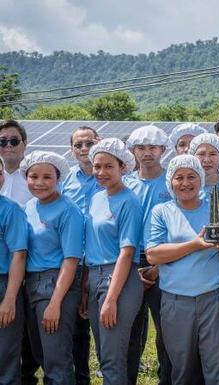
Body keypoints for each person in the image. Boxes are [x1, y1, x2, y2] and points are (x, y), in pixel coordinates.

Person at [146, 155, 219, 385]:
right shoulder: (162, 212)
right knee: (182, 368)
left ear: (201, 179)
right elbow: (153, 254)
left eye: (191, 177)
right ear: (171, 181)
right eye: (179, 178)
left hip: (215, 299)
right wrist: (194, 245)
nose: (185, 183)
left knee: (217, 367)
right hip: (176, 301)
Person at [85, 138, 144, 385]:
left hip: (118, 280)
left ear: (123, 167)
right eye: (97, 166)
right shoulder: (96, 197)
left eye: (108, 166)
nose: (101, 172)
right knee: (103, 355)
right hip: (94, 277)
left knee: (112, 357)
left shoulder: (129, 201)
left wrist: (110, 299)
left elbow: (127, 252)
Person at [22, 151, 84, 384]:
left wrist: (55, 303)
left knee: (56, 359)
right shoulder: (29, 206)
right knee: (42, 354)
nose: (39, 183)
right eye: (33, 176)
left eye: (47, 177)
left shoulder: (69, 210)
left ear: (58, 179)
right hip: (31, 283)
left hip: (55, 285)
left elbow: (71, 259)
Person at [125, 125, 173, 385]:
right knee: (130, 331)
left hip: (164, 262)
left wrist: (161, 266)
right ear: (132, 150)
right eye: (141, 148)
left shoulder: (172, 182)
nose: (146, 153)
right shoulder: (125, 183)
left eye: (152, 148)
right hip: (130, 262)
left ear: (162, 150)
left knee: (166, 332)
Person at [60, 126, 102, 384]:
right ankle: (81, 378)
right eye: (79, 145)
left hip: (102, 262)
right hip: (74, 263)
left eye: (90, 143)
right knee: (76, 330)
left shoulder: (110, 174)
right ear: (72, 150)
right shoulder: (66, 180)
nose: (84, 149)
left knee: (104, 328)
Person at [0, 156, 28, 385]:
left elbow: (18, 255)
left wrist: (9, 299)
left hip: (4, 285)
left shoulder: (11, 211)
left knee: (5, 354)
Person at [0, 120, 32, 208]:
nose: (8, 145)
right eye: (3, 141)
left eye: (14, 141)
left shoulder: (37, 177)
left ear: (25, 144)